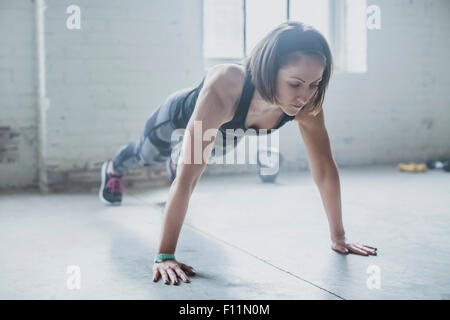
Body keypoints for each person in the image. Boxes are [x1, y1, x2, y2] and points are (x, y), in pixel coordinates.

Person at [99, 21, 377, 286]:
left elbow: (325, 170)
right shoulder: (226, 83)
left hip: (222, 134)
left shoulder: (307, 103)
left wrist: (339, 237)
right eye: (295, 84)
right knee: (147, 156)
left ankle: (179, 155)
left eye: (314, 84)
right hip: (175, 121)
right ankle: (113, 168)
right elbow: (187, 181)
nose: (305, 96)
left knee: (209, 152)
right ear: (270, 70)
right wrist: (165, 255)